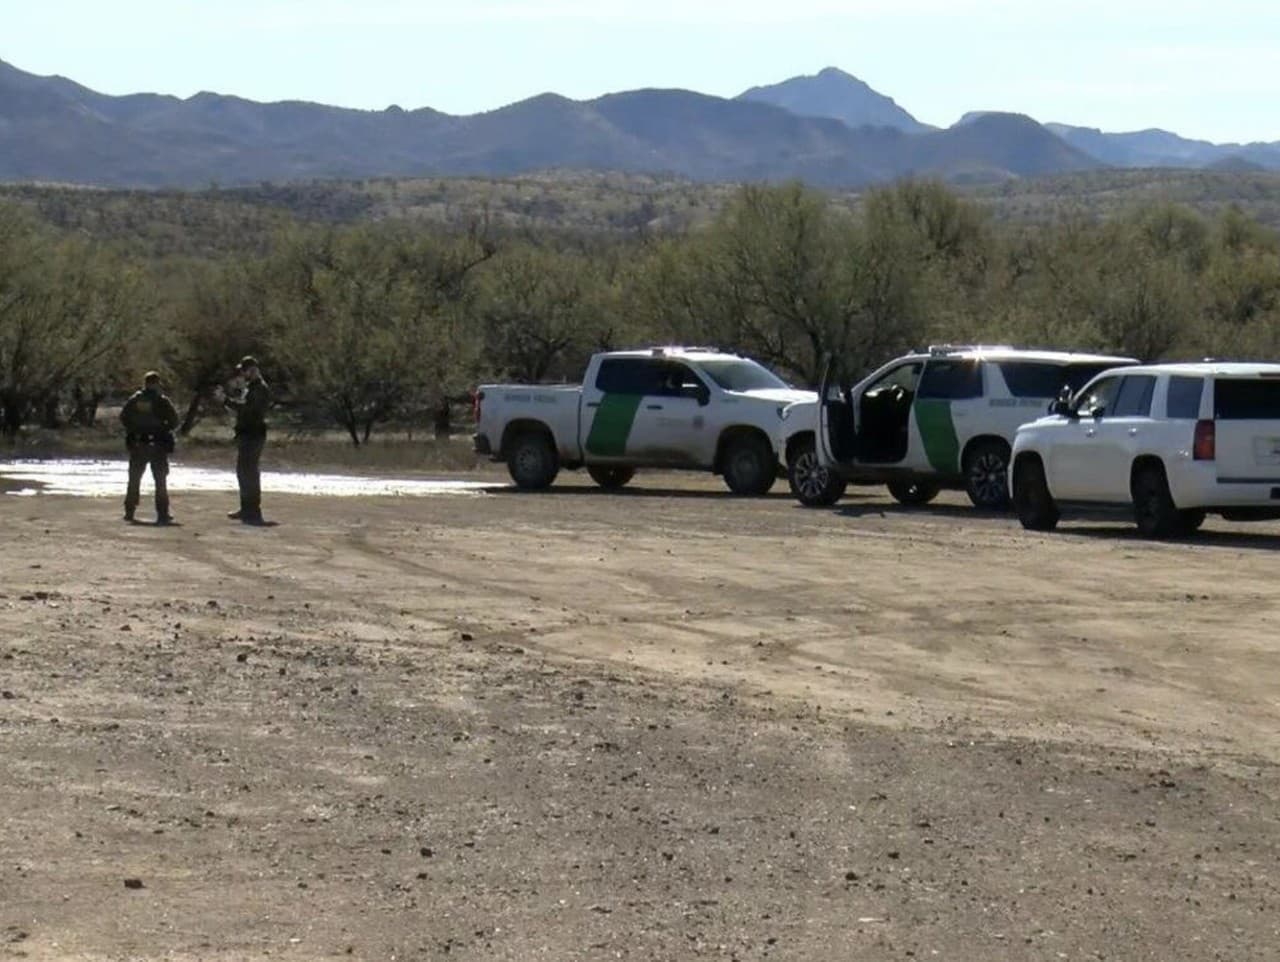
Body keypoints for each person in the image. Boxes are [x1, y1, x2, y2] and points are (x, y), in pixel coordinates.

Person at [216, 356, 272, 525]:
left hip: (253, 434)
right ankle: (246, 508)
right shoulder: (252, 388)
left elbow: (247, 410)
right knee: (244, 471)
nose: (242, 373)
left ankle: (252, 510)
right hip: (247, 434)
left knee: (249, 472)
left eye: (245, 370)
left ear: (252, 369)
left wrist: (226, 401)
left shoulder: (260, 389)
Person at [119, 371, 179, 524]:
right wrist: (163, 429)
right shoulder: (162, 401)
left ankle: (129, 511)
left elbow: (123, 418)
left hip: (138, 444)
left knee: (134, 479)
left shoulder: (134, 400)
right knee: (160, 481)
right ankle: (163, 513)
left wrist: (134, 430)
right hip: (157, 445)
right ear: (156, 384)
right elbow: (174, 421)